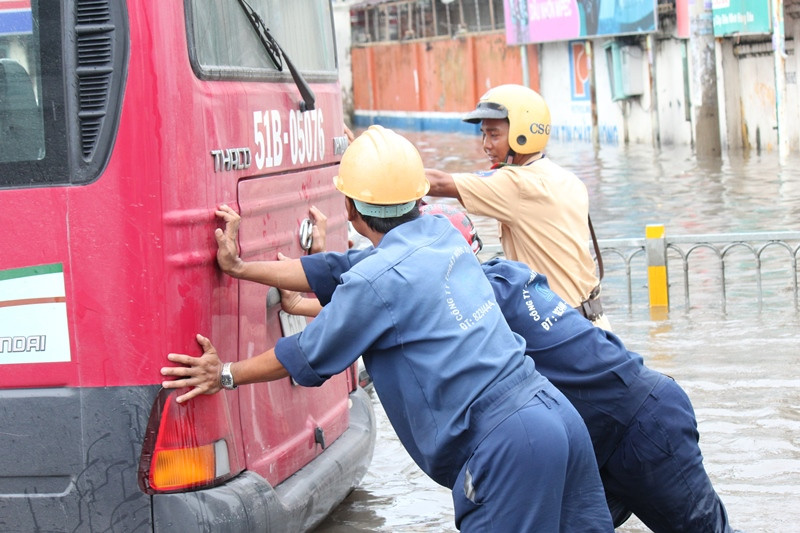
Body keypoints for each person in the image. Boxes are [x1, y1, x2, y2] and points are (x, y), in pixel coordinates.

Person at [161, 125, 614, 532]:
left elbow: (303, 353)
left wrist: (224, 374)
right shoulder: (440, 234)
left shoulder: (376, 283)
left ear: (351, 210)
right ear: (419, 200)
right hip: (557, 415)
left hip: (511, 446)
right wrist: (241, 268)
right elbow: (335, 268)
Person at [293, 203, 740, 533]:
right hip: (589, 433)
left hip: (642, 425)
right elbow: (375, 291)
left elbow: (384, 303)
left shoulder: (476, 297)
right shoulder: (501, 277)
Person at [424, 84, 611, 330]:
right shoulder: (565, 178)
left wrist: (376, 175)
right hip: (595, 322)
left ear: (522, 134)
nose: (486, 145)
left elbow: (438, 183)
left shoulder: (517, 183)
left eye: (494, 135)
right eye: (483, 134)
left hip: (560, 328)